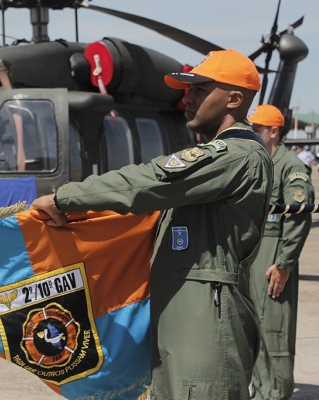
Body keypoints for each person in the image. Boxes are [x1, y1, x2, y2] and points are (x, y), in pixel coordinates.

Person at [31, 49, 273, 399]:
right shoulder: (224, 154)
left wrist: (64, 199)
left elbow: (150, 181)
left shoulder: (236, 155)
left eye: (200, 91)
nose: (187, 99)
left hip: (207, 311)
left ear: (234, 99)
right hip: (184, 309)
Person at [248, 105, 314, 399]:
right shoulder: (261, 163)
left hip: (275, 255)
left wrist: (284, 263)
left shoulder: (291, 166)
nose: (252, 135)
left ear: (273, 132)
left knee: (275, 331)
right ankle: (260, 391)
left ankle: (275, 393)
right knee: (255, 331)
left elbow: (299, 218)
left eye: (257, 130)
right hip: (255, 254)